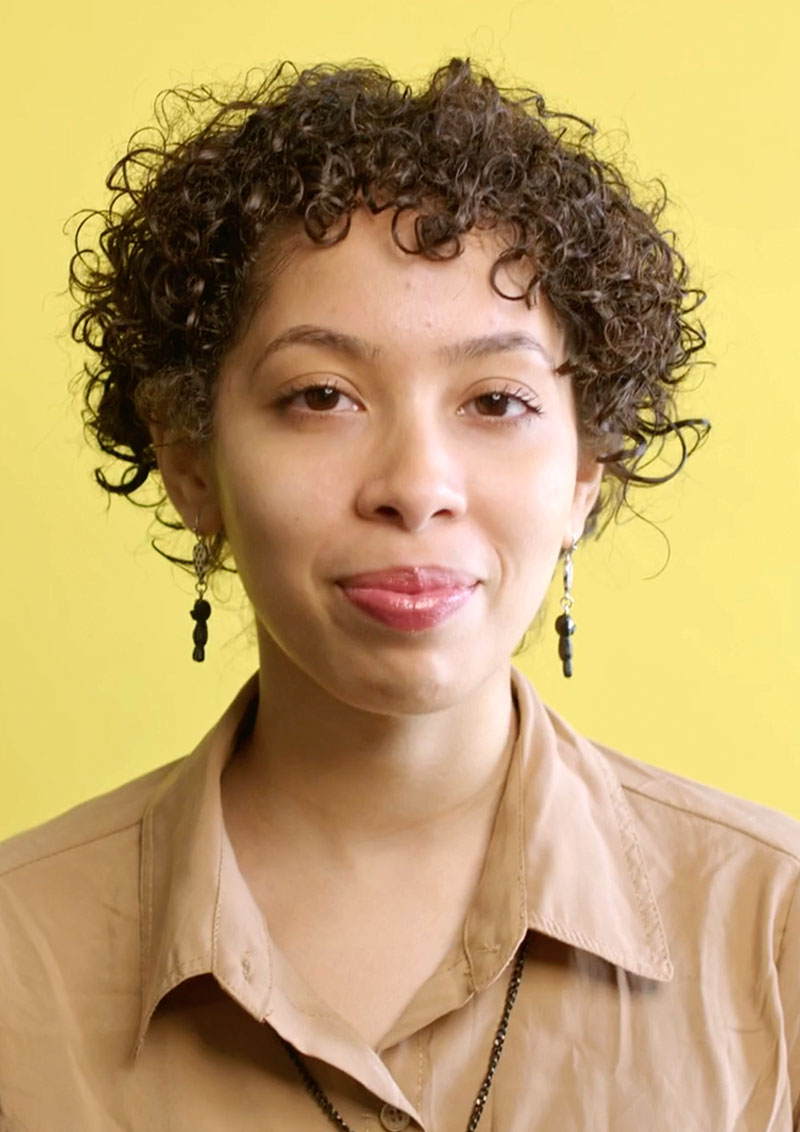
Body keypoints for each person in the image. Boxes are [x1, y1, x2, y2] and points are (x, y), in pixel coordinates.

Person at [0, 57, 797, 1132]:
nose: (415, 487)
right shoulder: (18, 951)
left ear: (582, 474)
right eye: (320, 395)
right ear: (194, 466)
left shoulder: (772, 931)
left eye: (496, 400)